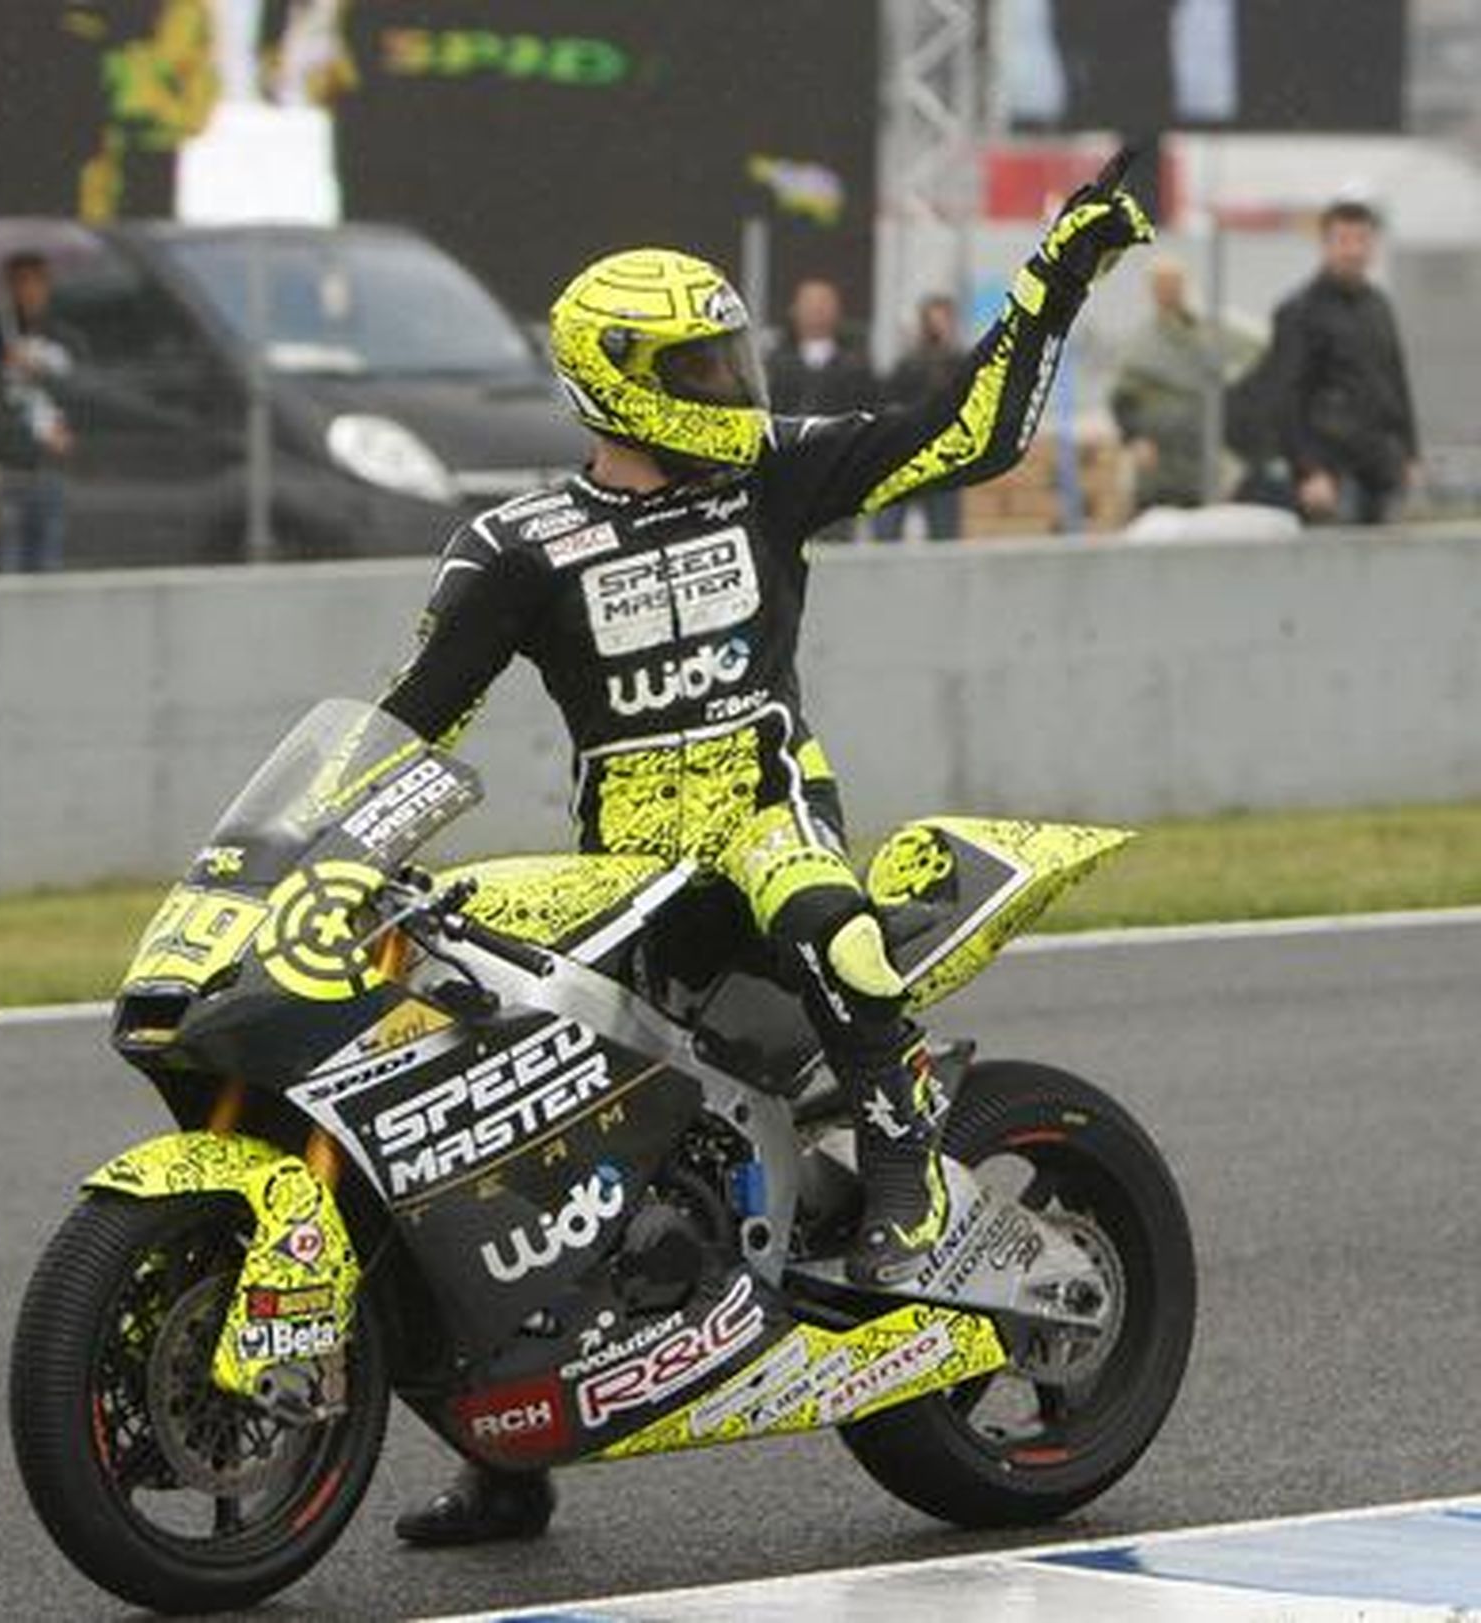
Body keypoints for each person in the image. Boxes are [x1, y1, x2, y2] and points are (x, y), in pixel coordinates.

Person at [380, 161, 1154, 1546]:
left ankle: (909, 1182)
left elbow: (970, 431)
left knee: (829, 913)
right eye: (701, 363)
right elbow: (409, 724)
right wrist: (322, 846)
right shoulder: (517, 545)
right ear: (616, 378)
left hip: (762, 808)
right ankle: (508, 1460)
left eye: (732, 354)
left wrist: (1054, 281)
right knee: (489, 1117)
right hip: (619, 865)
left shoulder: (773, 467)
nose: (734, 383)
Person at [1268, 199, 1420, 526]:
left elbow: (1396, 381)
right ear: (1325, 245)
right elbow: (1286, 400)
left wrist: (1411, 454)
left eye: (1362, 240)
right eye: (1343, 240)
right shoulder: (1299, 311)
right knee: (1339, 570)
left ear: (1373, 246)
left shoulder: (1378, 306)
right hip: (1333, 476)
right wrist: (1309, 471)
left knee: (1390, 570)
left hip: (1383, 468)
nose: (1353, 251)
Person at [0, 253, 84, 572]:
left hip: (51, 465)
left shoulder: (65, 337)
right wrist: (4, 366)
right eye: (20, 282)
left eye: (36, 281)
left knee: (47, 561)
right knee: (8, 560)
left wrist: (40, 372)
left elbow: (83, 393)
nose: (29, 290)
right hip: (9, 466)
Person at [1108, 256, 1223, 512]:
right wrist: (1135, 438)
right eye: (1162, 285)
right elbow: (1121, 400)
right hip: (1157, 460)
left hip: (1198, 459)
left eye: (1174, 283)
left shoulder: (1203, 334)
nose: (1169, 291)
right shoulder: (1142, 342)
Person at [873, 294, 966, 540]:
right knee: (887, 528)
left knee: (944, 530)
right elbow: (889, 404)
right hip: (905, 455)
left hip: (944, 456)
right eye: (931, 323)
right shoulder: (907, 365)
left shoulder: (962, 363)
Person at [763, 277, 875, 417]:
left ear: (838, 310)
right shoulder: (774, 365)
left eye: (824, 303)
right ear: (794, 310)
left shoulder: (857, 367)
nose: (817, 309)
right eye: (809, 303)